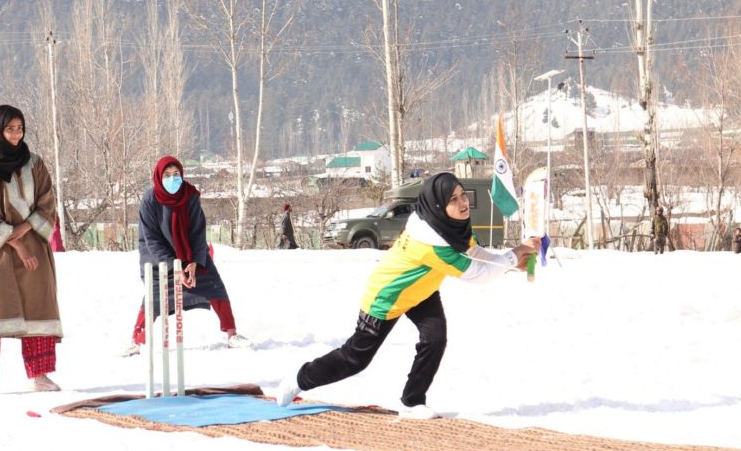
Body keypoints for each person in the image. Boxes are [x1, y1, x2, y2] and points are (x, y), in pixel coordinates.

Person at [272, 172, 537, 419]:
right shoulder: (431, 244)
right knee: (355, 359)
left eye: (462, 195)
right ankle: (299, 379)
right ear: (437, 206)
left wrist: (511, 258)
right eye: (453, 200)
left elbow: (474, 253)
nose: (462, 203)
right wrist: (512, 257)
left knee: (435, 339)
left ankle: (411, 402)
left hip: (420, 291)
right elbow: (477, 273)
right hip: (387, 295)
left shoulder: (448, 225)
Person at [0, 104, 62, 396]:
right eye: (10, 129)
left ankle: (40, 375)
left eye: (20, 128)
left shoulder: (34, 163)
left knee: (38, 308)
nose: (16, 135)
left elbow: (47, 202)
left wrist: (26, 229)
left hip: (34, 245)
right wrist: (16, 243)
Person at [123, 156, 247, 356]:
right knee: (154, 295)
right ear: (158, 177)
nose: (172, 179)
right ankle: (137, 340)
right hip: (157, 257)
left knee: (215, 286)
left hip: (190, 252)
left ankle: (232, 334)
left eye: (176, 174)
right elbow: (152, 240)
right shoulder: (149, 200)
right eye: (167, 175)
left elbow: (198, 231)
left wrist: (195, 262)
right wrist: (175, 266)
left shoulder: (190, 196)